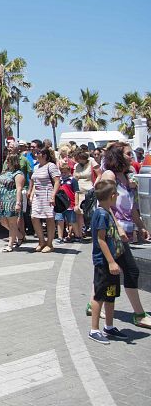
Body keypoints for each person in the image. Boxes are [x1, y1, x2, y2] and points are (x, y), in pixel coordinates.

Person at [93, 143, 151, 328]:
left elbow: (133, 208)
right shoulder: (109, 175)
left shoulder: (127, 177)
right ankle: (139, 314)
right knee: (130, 270)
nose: (131, 156)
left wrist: (141, 226)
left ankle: (93, 303)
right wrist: (116, 227)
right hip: (113, 232)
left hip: (126, 230)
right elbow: (103, 204)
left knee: (109, 271)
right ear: (117, 156)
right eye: (127, 154)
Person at [87, 180, 129, 344]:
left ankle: (109, 327)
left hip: (111, 262)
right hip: (104, 263)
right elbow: (101, 240)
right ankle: (94, 329)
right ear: (112, 196)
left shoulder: (106, 211)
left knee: (111, 294)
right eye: (116, 194)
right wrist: (111, 262)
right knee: (99, 295)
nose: (117, 197)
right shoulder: (102, 214)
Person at [27, 147, 60, 253]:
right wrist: (31, 194)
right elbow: (34, 182)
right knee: (34, 217)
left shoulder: (51, 166)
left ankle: (50, 243)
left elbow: (57, 182)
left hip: (47, 195)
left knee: (49, 218)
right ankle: (41, 241)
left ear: (44, 155)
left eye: (38, 153)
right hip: (37, 196)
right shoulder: (36, 167)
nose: (36, 155)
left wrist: (53, 196)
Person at [0, 153, 25, 252]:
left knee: (12, 223)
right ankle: (19, 235)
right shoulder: (4, 173)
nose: (7, 162)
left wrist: (18, 203)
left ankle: (10, 244)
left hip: (12, 200)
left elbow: (19, 189)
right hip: (3, 201)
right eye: (7, 159)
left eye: (9, 160)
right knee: (2, 221)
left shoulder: (18, 174)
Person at [73, 149, 100, 235]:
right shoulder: (76, 166)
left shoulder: (91, 161)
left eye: (78, 158)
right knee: (79, 212)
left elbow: (99, 174)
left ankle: (95, 231)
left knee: (91, 212)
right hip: (79, 190)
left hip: (90, 190)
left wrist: (95, 185)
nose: (77, 160)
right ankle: (81, 233)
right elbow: (75, 178)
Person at [56, 162, 80, 243]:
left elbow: (76, 192)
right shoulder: (59, 181)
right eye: (62, 172)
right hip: (61, 204)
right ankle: (60, 237)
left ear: (69, 171)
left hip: (71, 204)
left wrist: (76, 204)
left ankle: (77, 235)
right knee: (60, 220)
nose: (63, 174)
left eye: (65, 172)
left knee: (72, 221)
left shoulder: (73, 180)